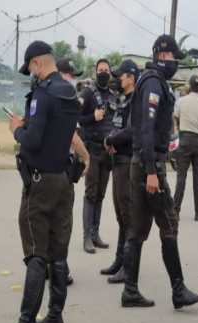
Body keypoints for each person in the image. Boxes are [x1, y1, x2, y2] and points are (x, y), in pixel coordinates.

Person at [0, 41, 80, 323]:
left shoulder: (43, 95)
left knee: (35, 254)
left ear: (36, 63)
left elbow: (32, 141)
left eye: (30, 67)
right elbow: (68, 136)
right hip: (63, 181)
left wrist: (17, 129)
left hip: (40, 182)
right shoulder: (71, 93)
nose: (30, 74)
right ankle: (55, 317)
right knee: (58, 255)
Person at [122, 34, 198, 309]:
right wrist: (151, 171)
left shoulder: (152, 82)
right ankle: (178, 290)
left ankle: (130, 291)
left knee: (138, 229)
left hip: (144, 163)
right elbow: (145, 128)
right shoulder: (154, 83)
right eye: (170, 57)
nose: (173, 62)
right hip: (149, 165)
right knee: (168, 224)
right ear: (159, 54)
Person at [101, 59, 141, 285]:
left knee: (127, 214)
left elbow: (132, 130)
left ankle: (128, 266)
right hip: (118, 160)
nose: (119, 79)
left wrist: (112, 138)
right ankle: (119, 260)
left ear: (131, 77)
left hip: (127, 162)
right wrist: (110, 139)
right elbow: (116, 125)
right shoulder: (123, 99)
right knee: (120, 214)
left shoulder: (136, 100)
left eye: (122, 75)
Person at [78, 59, 118, 254]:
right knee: (91, 193)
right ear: (95, 72)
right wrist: (92, 117)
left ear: (110, 73)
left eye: (106, 70)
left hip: (107, 152)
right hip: (92, 150)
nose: (103, 72)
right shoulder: (87, 93)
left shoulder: (112, 95)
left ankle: (95, 234)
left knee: (101, 194)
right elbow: (77, 118)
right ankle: (86, 237)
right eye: (100, 70)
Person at [58, 59, 92, 287]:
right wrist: (86, 156)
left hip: (44, 170)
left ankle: (50, 268)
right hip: (59, 171)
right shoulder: (62, 97)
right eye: (69, 74)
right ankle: (61, 269)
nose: (72, 79)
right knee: (61, 223)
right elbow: (70, 133)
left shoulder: (42, 94)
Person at [173, 74, 198, 221]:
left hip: (184, 140)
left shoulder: (181, 101)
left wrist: (179, 126)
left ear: (189, 86)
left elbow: (175, 116)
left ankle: (175, 211)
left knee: (181, 177)